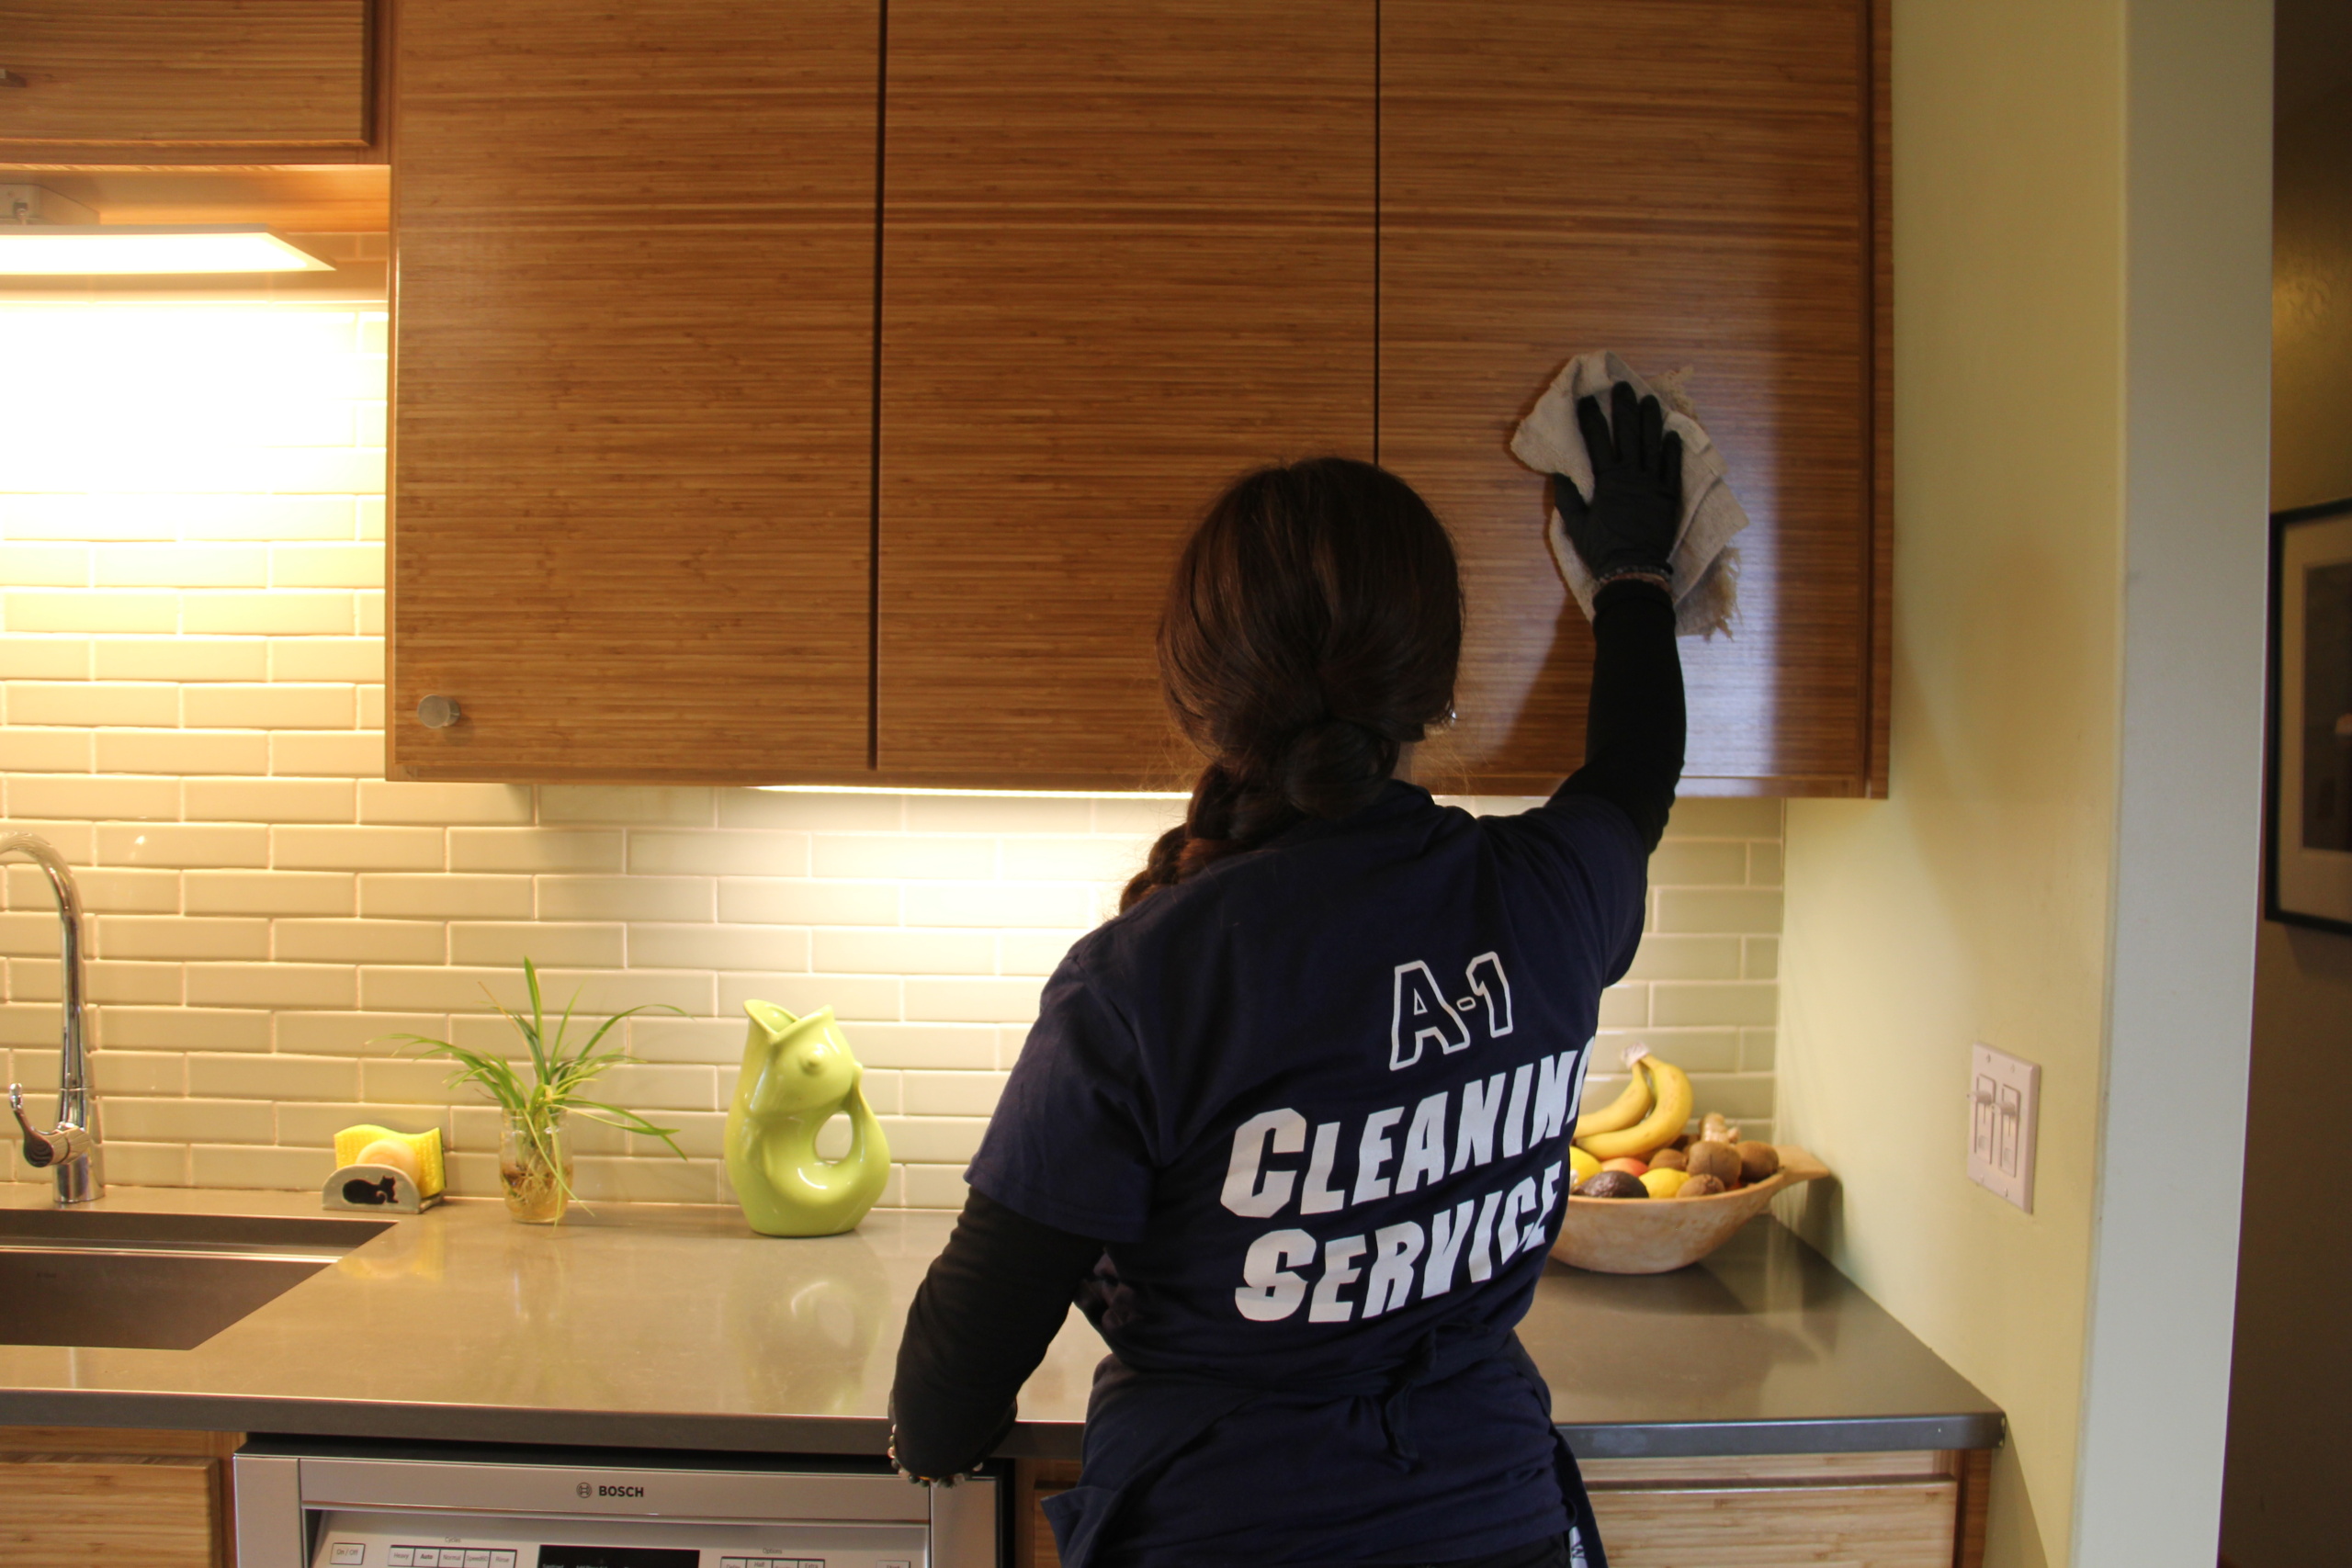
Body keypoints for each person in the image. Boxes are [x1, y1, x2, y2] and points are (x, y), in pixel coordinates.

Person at [888, 380, 1687, 1568]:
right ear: (1436, 691)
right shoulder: (1548, 897)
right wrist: (1632, 576)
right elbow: (1634, 771)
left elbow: (971, 1347)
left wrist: (932, 1440)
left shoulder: (1141, 983)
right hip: (1498, 1524)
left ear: (1196, 697)